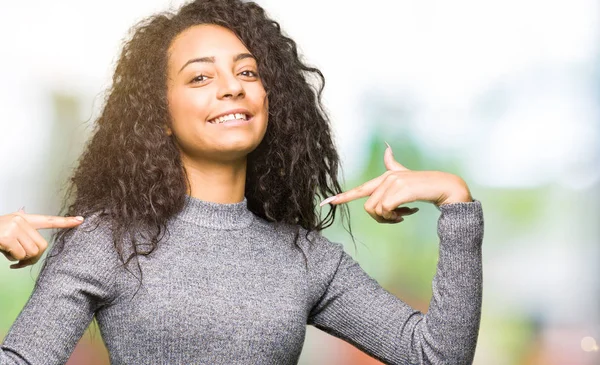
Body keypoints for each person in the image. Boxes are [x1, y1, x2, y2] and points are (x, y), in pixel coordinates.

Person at [0, 0, 484, 364]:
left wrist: (456, 202)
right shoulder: (106, 243)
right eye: (199, 78)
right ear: (159, 115)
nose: (232, 86)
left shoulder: (303, 256)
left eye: (246, 71)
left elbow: (435, 356)